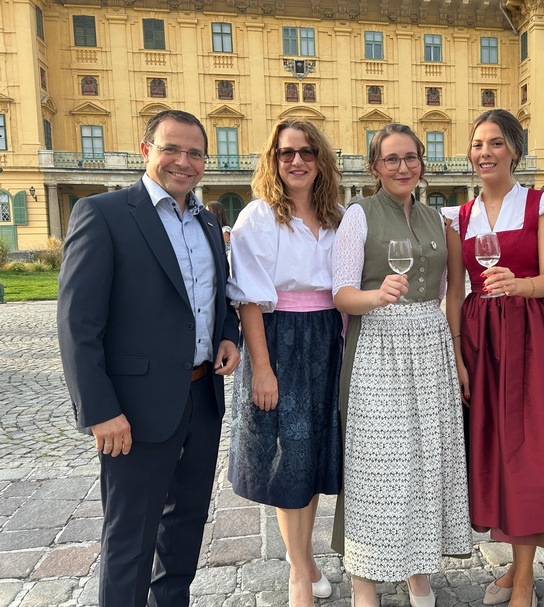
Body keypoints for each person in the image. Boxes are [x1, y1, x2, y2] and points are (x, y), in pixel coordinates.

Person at [57, 109, 241, 606]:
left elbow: (214, 297)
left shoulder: (206, 220)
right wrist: (99, 411)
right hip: (133, 410)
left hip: (202, 398)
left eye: (195, 153)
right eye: (171, 149)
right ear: (146, 151)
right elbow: (78, 325)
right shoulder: (105, 214)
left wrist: (229, 336)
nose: (184, 161)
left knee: (184, 527)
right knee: (130, 537)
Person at [330, 123, 471, 607]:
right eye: (391, 159)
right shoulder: (359, 215)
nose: (402, 167)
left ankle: (418, 572)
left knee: (426, 462)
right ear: (374, 168)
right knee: (375, 464)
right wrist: (376, 295)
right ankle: (365, 580)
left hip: (429, 345)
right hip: (378, 347)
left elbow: (455, 290)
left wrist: (455, 354)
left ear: (422, 164)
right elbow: (341, 293)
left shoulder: (439, 220)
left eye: (410, 157)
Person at [443, 109, 544, 607]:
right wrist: (456, 353)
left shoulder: (541, 205)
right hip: (479, 336)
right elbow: (456, 292)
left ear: (514, 151)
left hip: (530, 334)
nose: (485, 153)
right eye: (477, 144)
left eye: (495, 143)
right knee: (491, 449)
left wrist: (517, 285)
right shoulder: (458, 216)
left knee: (530, 451)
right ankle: (513, 569)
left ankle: (523, 579)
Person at [226, 119, 344, 607]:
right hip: (279, 341)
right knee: (285, 457)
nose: (296, 161)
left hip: (330, 340)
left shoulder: (338, 215)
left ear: (321, 160)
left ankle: (307, 561)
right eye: (285, 152)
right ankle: (299, 572)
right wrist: (263, 368)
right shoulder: (259, 216)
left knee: (311, 455)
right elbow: (250, 300)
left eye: (307, 152)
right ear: (273, 160)